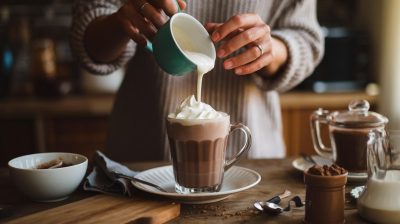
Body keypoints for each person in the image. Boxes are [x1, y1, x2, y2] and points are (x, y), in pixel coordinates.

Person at [70, 0, 324, 161]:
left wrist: (271, 50)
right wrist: (120, 22)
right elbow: (88, 41)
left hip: (249, 157)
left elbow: (307, 40)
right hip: (143, 154)